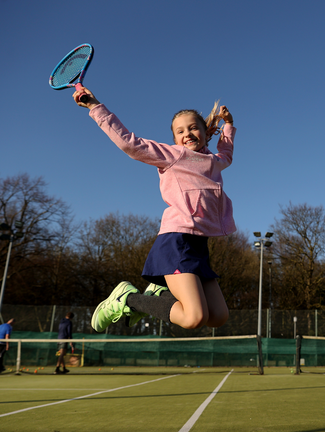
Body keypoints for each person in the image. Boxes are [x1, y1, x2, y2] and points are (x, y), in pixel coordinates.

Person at [73, 86, 236, 333]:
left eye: (193, 127)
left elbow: (226, 153)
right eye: (180, 131)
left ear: (204, 132)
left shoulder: (213, 161)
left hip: (199, 245)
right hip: (176, 241)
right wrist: (95, 107)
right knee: (193, 318)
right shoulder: (173, 155)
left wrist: (228, 126)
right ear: (174, 139)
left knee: (218, 316)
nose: (187, 133)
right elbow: (129, 143)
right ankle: (126, 299)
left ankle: (159, 292)